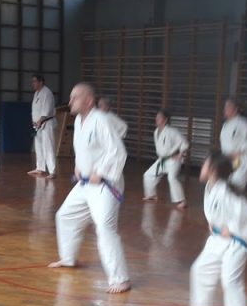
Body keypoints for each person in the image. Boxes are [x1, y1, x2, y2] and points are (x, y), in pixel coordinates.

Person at [48, 83, 130, 294]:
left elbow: (118, 152)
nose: (70, 101)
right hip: (85, 183)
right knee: (65, 216)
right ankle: (68, 258)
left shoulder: (101, 120)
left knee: (104, 228)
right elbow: (84, 149)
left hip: (105, 185)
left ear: (88, 101)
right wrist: (78, 166)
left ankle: (120, 279)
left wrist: (101, 173)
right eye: (71, 97)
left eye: (75, 97)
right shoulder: (78, 120)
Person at [182, 151, 247, 306]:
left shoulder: (227, 191)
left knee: (230, 281)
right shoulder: (212, 187)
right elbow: (215, 211)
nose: (202, 167)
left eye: (205, 164)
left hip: (235, 242)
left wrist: (231, 229)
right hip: (217, 239)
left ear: (213, 170)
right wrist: (213, 223)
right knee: (200, 268)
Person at [143, 109, 189, 208]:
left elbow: (184, 143)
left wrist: (181, 154)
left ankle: (182, 201)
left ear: (165, 120)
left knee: (172, 178)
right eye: (156, 117)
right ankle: (151, 195)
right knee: (148, 175)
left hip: (173, 160)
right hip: (162, 160)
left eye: (159, 117)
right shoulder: (156, 132)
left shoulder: (172, 131)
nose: (156, 119)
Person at [219, 98, 247, 189]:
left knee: (235, 188)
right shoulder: (226, 125)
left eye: (228, 107)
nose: (225, 109)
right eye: (225, 107)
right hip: (227, 161)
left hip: (239, 160)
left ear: (235, 109)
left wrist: (238, 153)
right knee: (225, 188)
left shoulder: (242, 124)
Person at [30, 74, 57, 178]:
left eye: (34, 81)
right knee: (39, 147)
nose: (33, 84)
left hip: (46, 123)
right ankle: (40, 167)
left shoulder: (47, 93)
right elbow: (36, 110)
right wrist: (34, 121)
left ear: (41, 82)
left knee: (48, 147)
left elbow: (47, 110)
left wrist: (40, 120)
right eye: (32, 81)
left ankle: (52, 171)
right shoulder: (37, 93)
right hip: (37, 124)